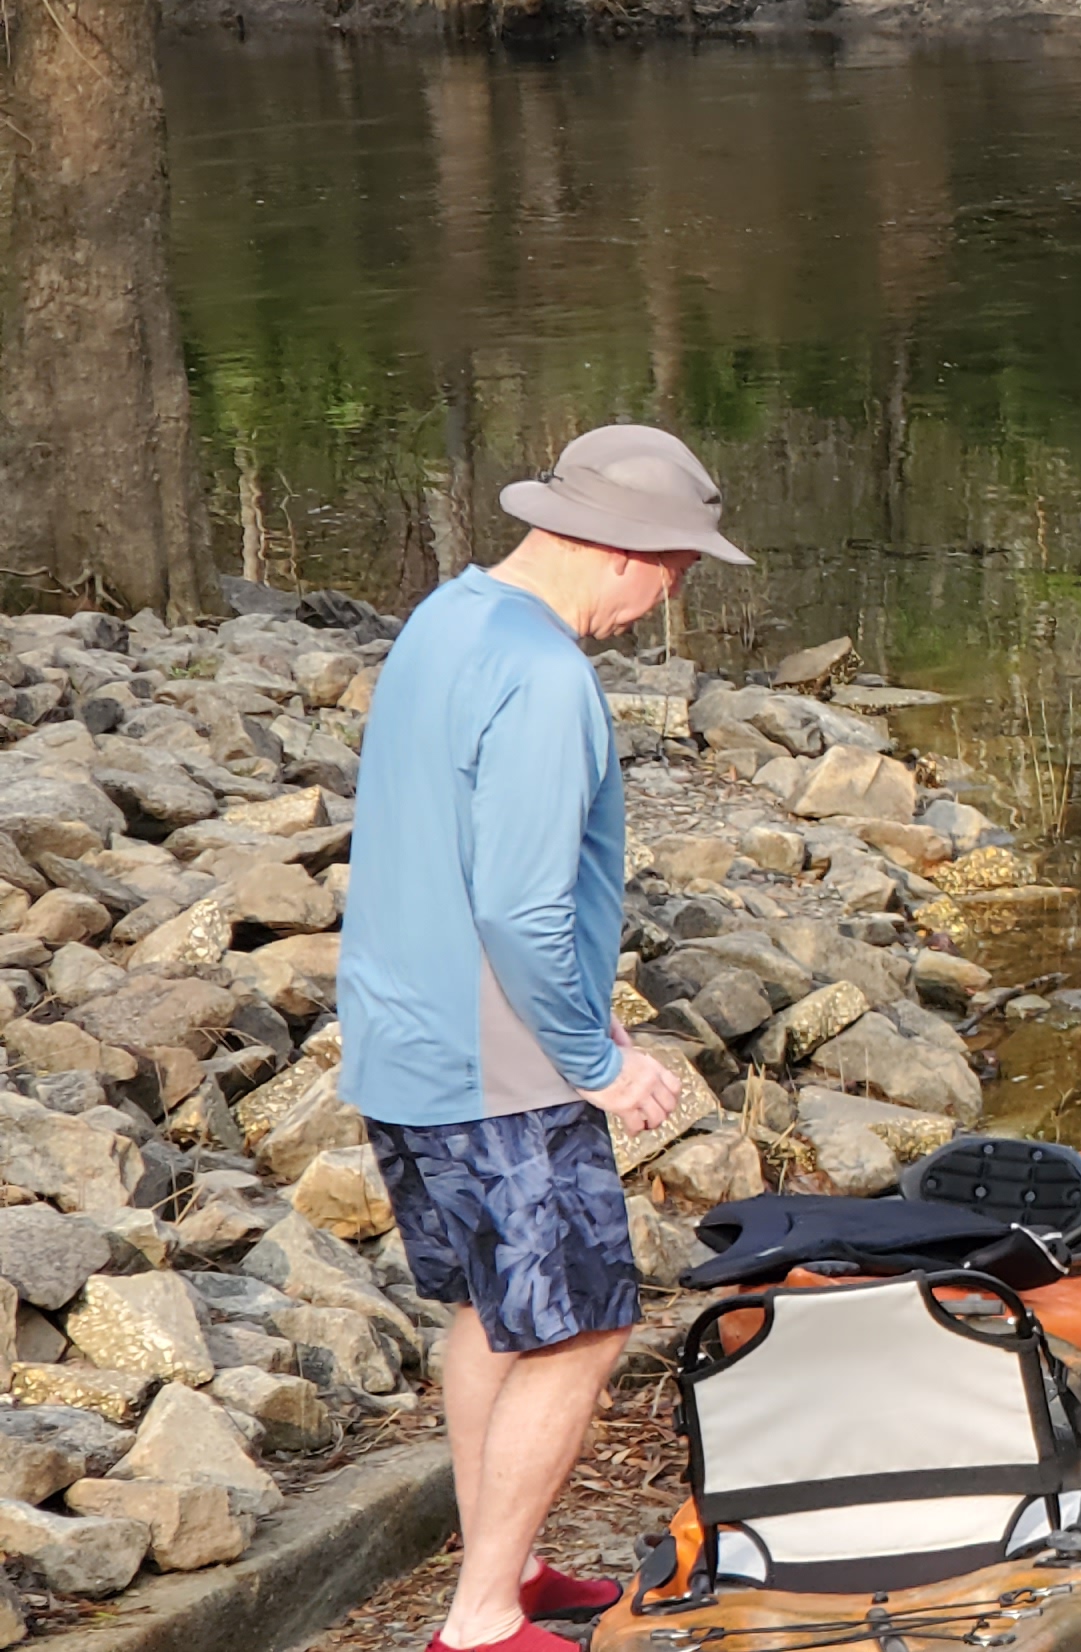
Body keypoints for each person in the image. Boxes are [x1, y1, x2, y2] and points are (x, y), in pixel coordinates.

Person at [334, 425, 745, 1652]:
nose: (670, 595)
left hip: (405, 1037)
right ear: (623, 550)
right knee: (582, 1326)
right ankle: (478, 1623)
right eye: (674, 569)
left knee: (487, 1311)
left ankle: (498, 1570)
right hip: (498, 1062)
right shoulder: (550, 677)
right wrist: (600, 1060)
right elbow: (520, 904)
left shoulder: (445, 618)